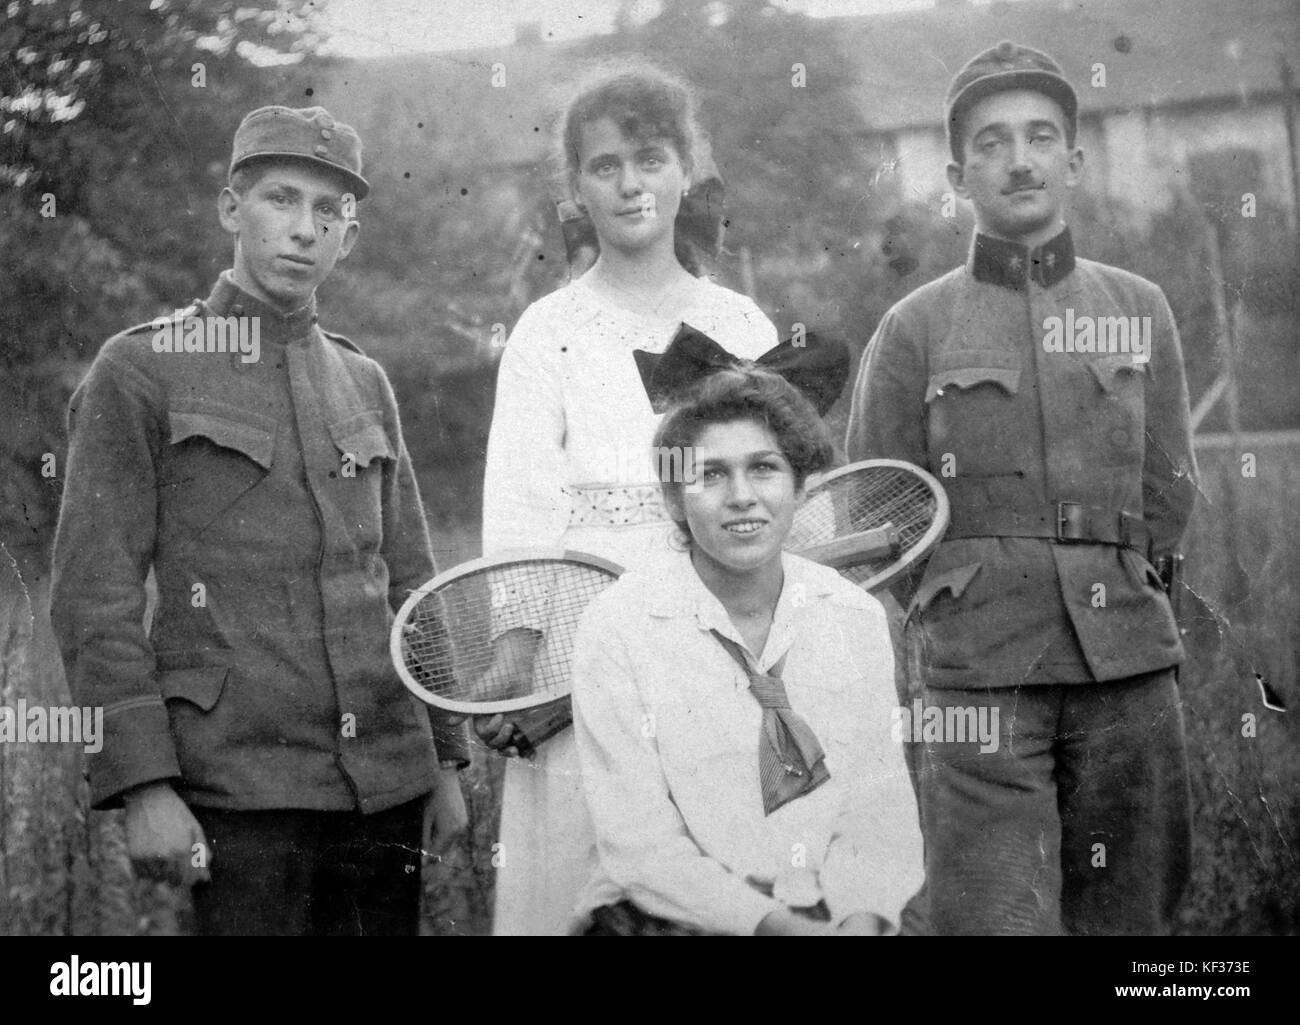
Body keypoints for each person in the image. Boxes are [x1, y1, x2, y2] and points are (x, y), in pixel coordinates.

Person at [49, 105, 470, 936]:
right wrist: (144, 786)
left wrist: (446, 757)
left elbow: (412, 581)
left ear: (347, 237)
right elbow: (93, 595)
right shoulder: (139, 369)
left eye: (329, 212)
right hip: (239, 794)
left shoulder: (364, 379)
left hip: (386, 786)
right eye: (282, 199)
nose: (304, 230)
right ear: (230, 210)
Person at [846, 41, 1197, 935]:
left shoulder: (1138, 307)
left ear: (1074, 164)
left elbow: (1168, 489)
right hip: (979, 678)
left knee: (1132, 925)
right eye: (994, 143)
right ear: (961, 174)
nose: (1021, 159)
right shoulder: (914, 326)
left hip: (1126, 665)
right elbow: (875, 512)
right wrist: (949, 613)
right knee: (994, 914)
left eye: (1041, 137)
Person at [477, 60, 778, 935]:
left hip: (721, 632)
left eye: (650, 159)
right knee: (582, 880)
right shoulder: (547, 334)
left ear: (687, 170)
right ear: (576, 188)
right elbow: (522, 500)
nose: (631, 183)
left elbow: (771, 495)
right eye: (605, 166)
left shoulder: (742, 326)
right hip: (583, 636)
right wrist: (516, 648)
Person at [570, 365, 924, 935]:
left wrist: (861, 919)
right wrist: (773, 927)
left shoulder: (851, 616)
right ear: (673, 499)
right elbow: (641, 847)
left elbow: (877, 815)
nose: (742, 498)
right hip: (669, 918)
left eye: (764, 468)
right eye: (711, 475)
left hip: (828, 916)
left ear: (802, 487)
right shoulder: (617, 628)